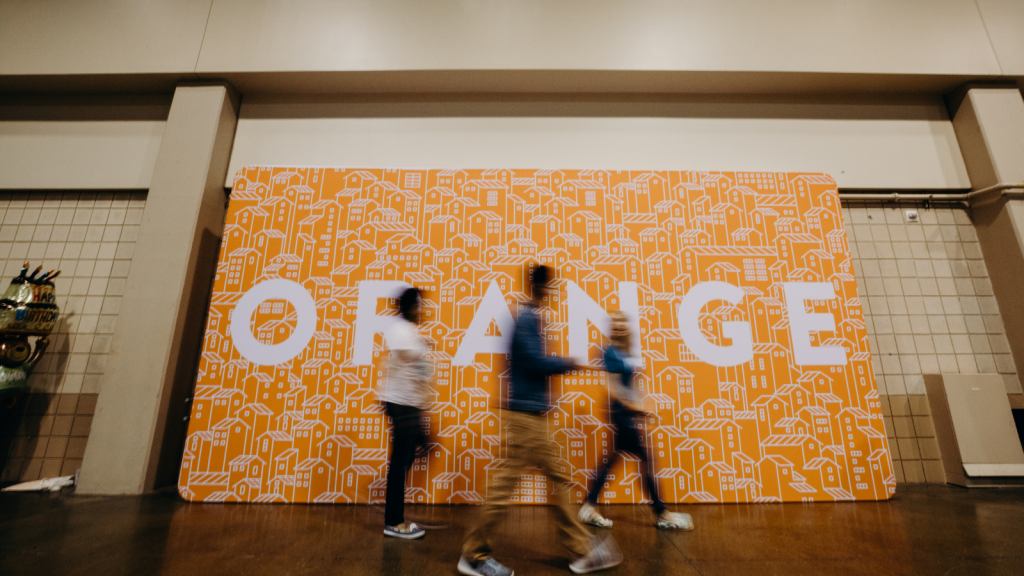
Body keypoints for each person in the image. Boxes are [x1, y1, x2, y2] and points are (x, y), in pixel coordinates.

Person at [458, 265, 623, 576]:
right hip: (525, 418)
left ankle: (583, 550)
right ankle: (474, 556)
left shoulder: (530, 317)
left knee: (557, 479)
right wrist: (572, 362)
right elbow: (534, 362)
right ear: (541, 287)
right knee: (505, 489)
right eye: (550, 286)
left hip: (533, 415)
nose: (552, 292)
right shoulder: (526, 318)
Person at [578, 311, 694, 531]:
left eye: (622, 322)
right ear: (611, 328)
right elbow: (613, 386)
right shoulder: (610, 352)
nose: (619, 326)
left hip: (628, 414)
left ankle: (589, 505)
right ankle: (662, 513)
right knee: (646, 459)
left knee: (611, 461)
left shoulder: (626, 352)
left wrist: (643, 406)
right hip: (621, 414)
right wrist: (636, 407)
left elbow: (632, 385)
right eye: (615, 323)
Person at [380, 287, 432, 539]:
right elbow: (415, 365)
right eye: (419, 305)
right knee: (400, 463)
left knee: (404, 459)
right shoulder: (401, 331)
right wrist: (422, 347)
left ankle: (394, 519)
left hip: (408, 404)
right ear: (411, 307)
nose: (422, 310)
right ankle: (394, 522)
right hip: (401, 404)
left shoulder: (409, 333)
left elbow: (419, 372)